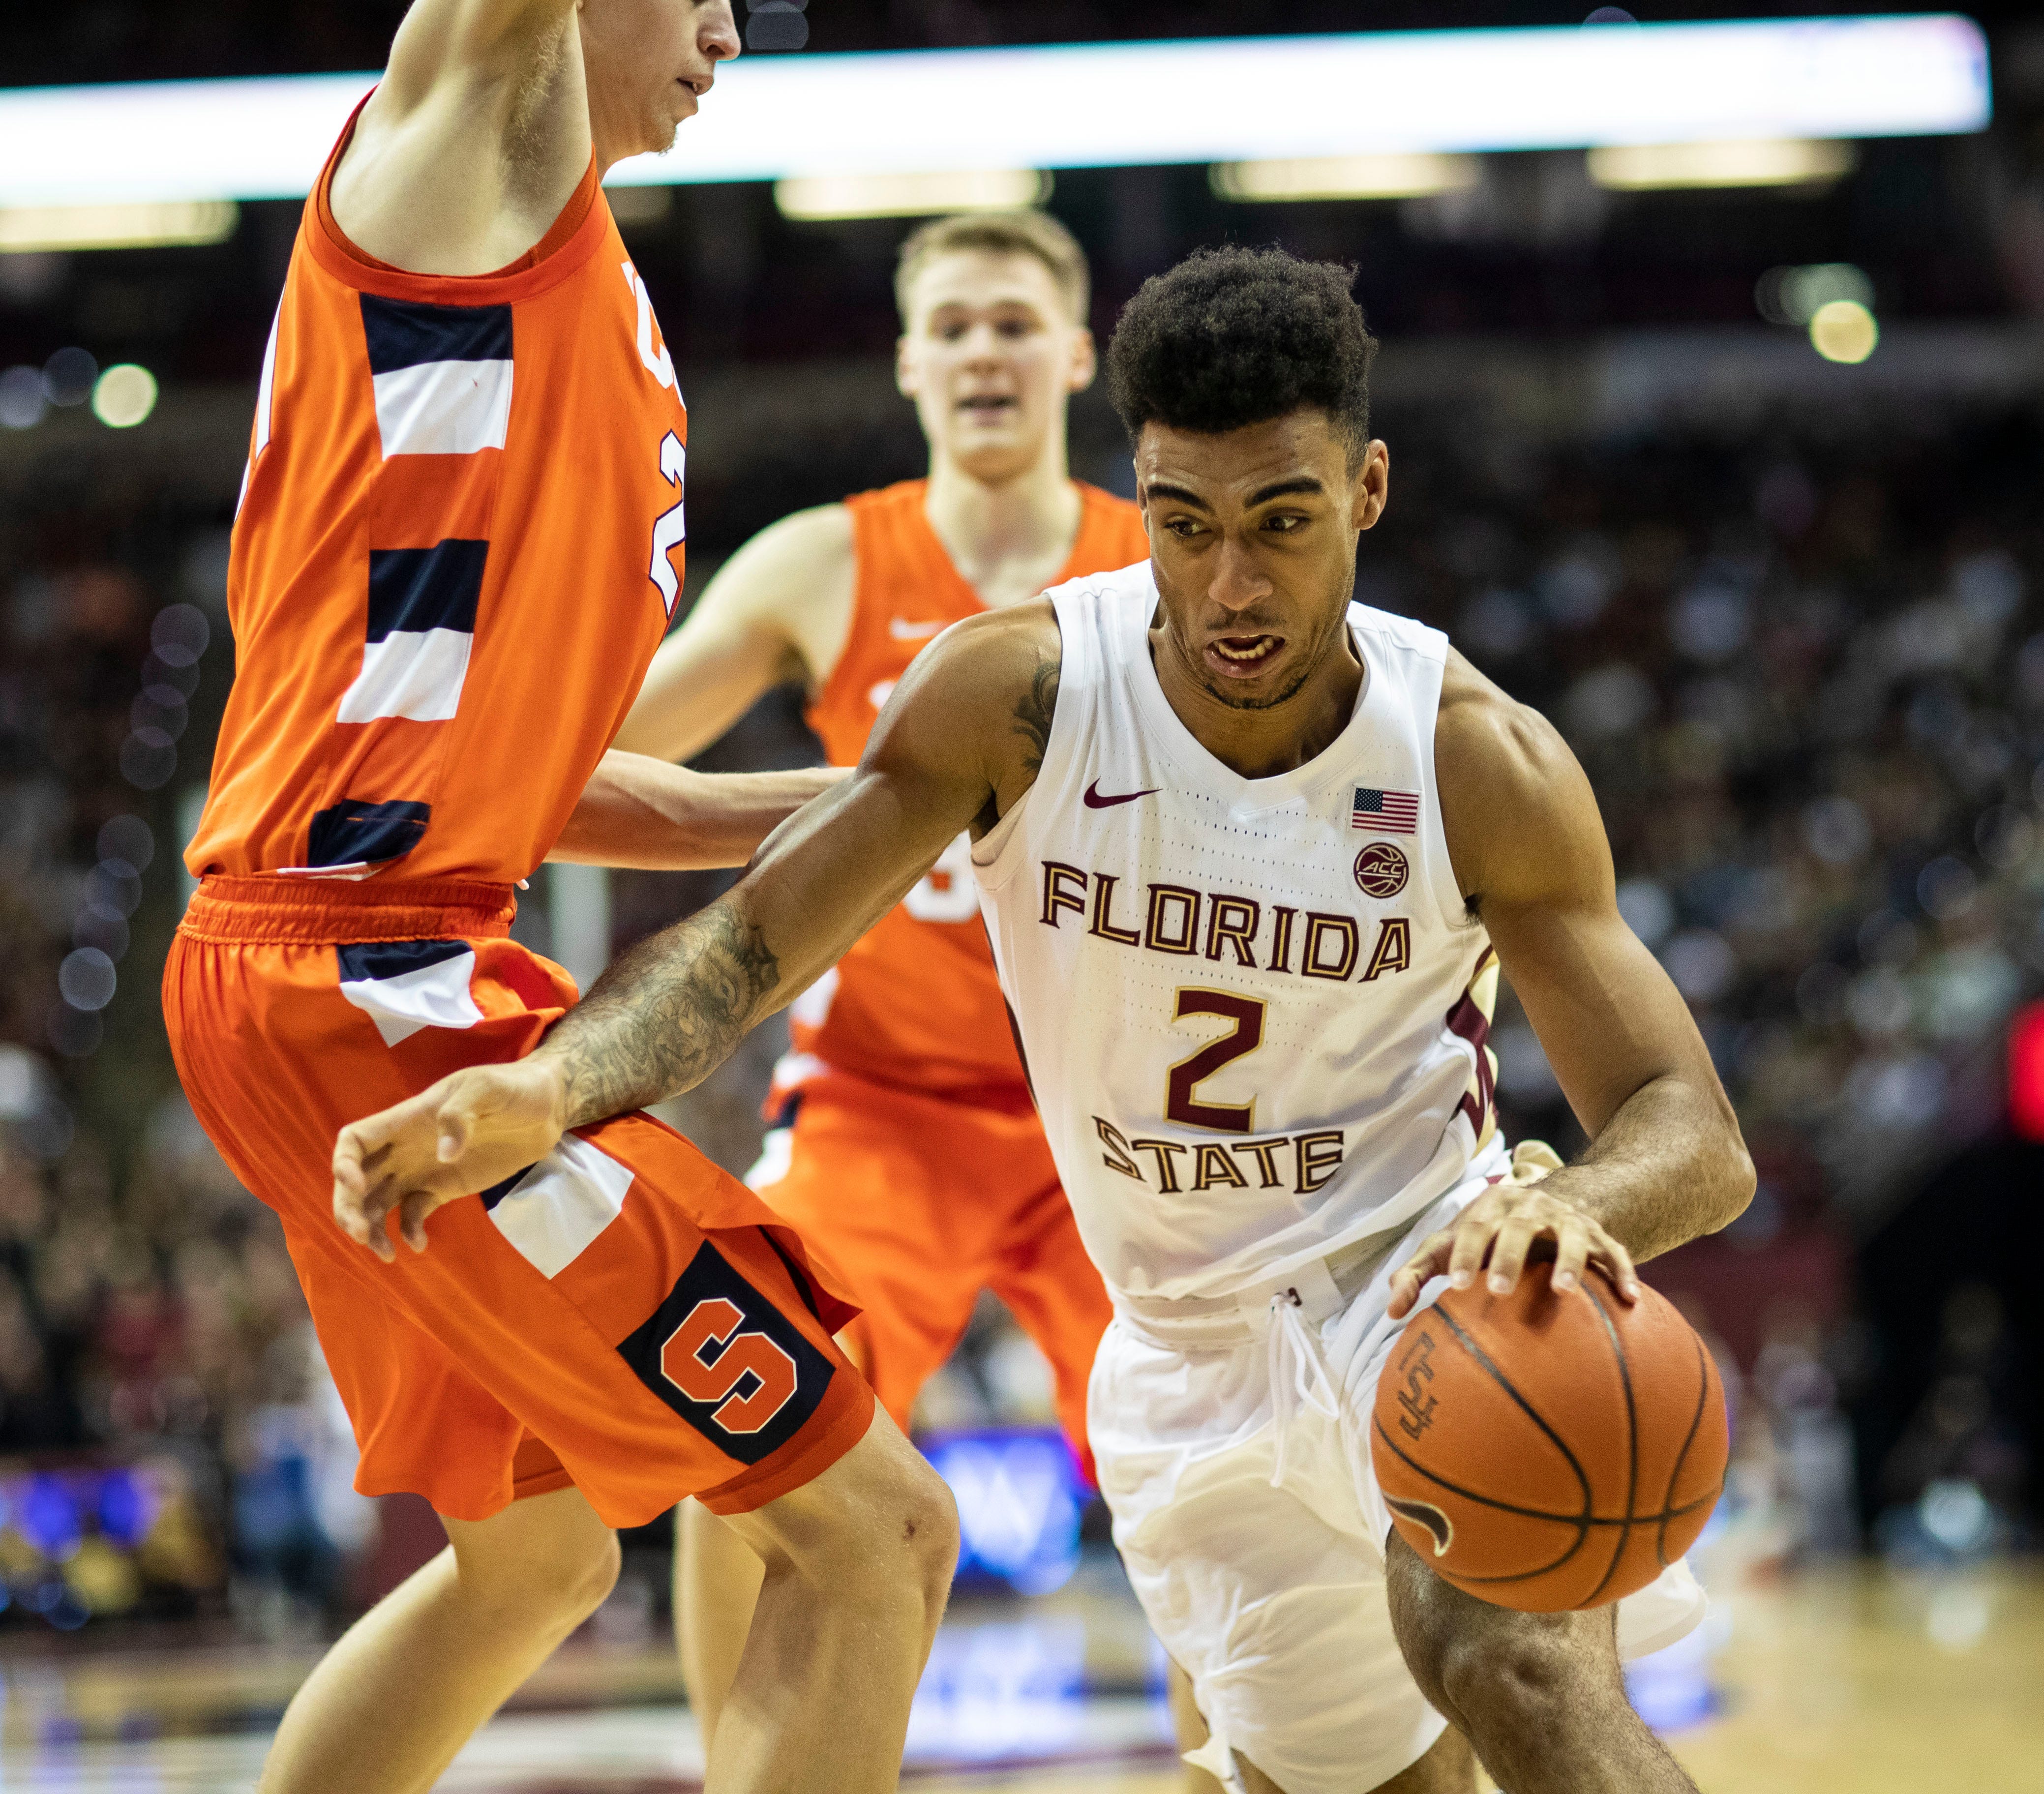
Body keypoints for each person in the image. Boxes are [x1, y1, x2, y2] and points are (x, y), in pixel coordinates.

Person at [331, 244, 1757, 1794]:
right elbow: (744, 950)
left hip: (1412, 1287)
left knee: (1514, 1668)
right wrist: (551, 1089)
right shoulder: (1012, 691)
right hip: (1181, 1345)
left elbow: (1695, 1134)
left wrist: (1582, 1203)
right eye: (1185, 525)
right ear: (1137, 494)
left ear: (1366, 490)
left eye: (1279, 523)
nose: (1229, 586)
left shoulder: (1477, 757)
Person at [165, 5, 958, 1793]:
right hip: (367, 991)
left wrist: (865, 799)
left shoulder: (575, 270)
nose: (730, 30)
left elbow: (532, 778)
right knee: (881, 1535)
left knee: (537, 1558)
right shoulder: (461, 168)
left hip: (344, 959)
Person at [611, 208, 1147, 1742]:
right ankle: (751, 1775)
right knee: (754, 1428)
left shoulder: (1148, 568)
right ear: (910, 361)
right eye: (956, 325)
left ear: (1072, 354)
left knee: (1209, 1463)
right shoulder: (824, 561)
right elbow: (620, 746)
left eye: (1012, 322)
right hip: (878, 1105)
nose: (985, 350)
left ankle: (1230, 1770)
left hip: (1107, 1112)